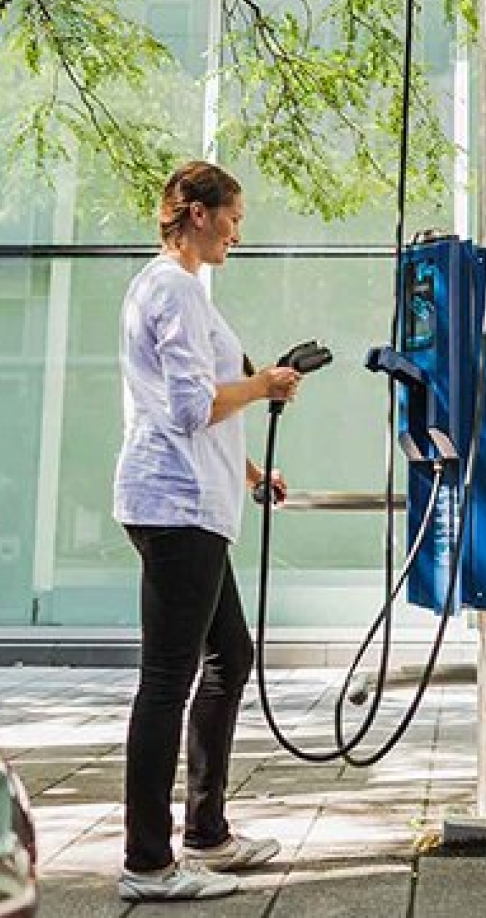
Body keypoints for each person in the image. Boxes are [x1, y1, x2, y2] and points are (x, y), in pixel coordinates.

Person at [113, 160, 304, 903]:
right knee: (168, 677)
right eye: (232, 215)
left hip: (190, 500)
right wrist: (268, 382)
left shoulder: (173, 290)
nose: (237, 229)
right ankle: (147, 861)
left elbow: (180, 404)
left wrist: (253, 473)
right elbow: (195, 407)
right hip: (176, 505)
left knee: (231, 653)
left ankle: (206, 832)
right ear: (196, 211)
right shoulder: (174, 289)